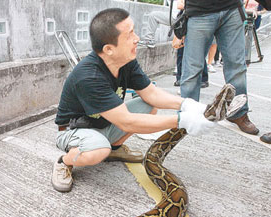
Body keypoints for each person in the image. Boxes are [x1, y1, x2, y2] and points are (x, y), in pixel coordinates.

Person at [52, 8, 215, 192]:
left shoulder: (125, 61)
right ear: (109, 49)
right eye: (130, 35)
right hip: (74, 130)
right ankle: (64, 162)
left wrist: (186, 104)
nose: (137, 38)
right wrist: (181, 120)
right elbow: (127, 122)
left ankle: (115, 148)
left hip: (103, 123)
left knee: (148, 105)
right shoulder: (89, 76)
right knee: (99, 150)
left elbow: (151, 94)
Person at [179, 0, 259, 135]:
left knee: (237, 65)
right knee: (192, 68)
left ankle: (239, 113)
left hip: (232, 8)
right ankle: (187, 116)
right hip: (199, 11)